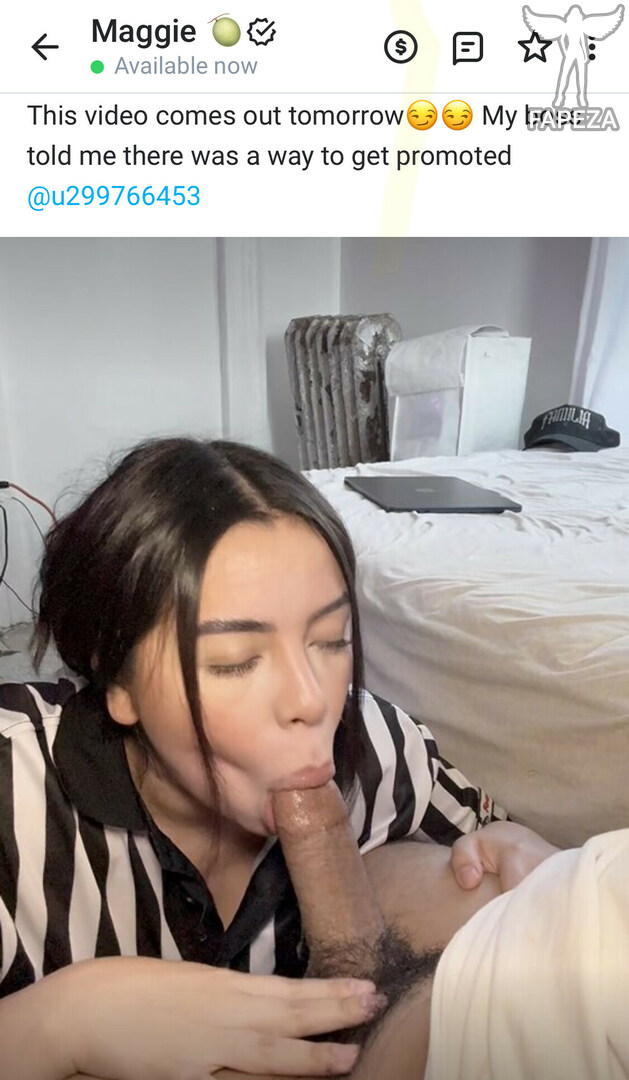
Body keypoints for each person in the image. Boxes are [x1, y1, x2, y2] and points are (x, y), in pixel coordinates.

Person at [0, 437, 557, 1080]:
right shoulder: (14, 801)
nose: (311, 699)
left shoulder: (376, 748)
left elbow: (495, 844)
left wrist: (526, 856)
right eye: (235, 662)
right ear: (117, 679)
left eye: (331, 640)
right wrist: (64, 1021)